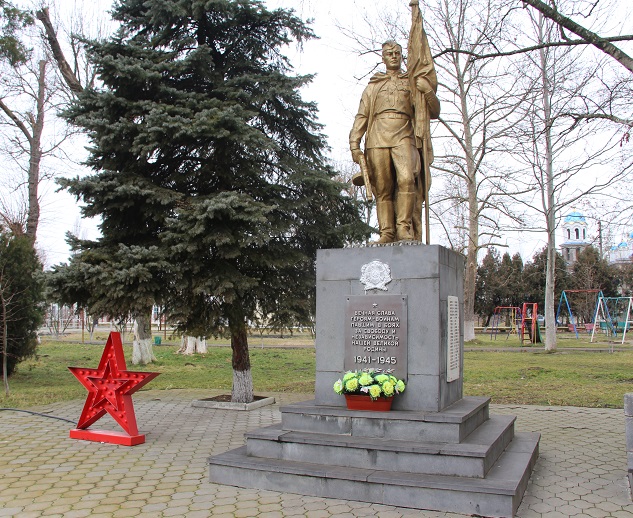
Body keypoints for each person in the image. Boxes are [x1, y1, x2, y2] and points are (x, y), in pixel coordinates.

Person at [349, 40, 440, 243]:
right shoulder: (373, 85)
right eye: (389, 53)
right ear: (383, 57)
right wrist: (354, 142)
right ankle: (387, 232)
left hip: (405, 134)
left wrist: (427, 90)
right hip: (377, 137)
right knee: (383, 188)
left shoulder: (411, 82)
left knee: (407, 179)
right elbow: (362, 115)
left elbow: (434, 111)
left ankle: (404, 229)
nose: (393, 56)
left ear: (402, 56)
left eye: (397, 53)